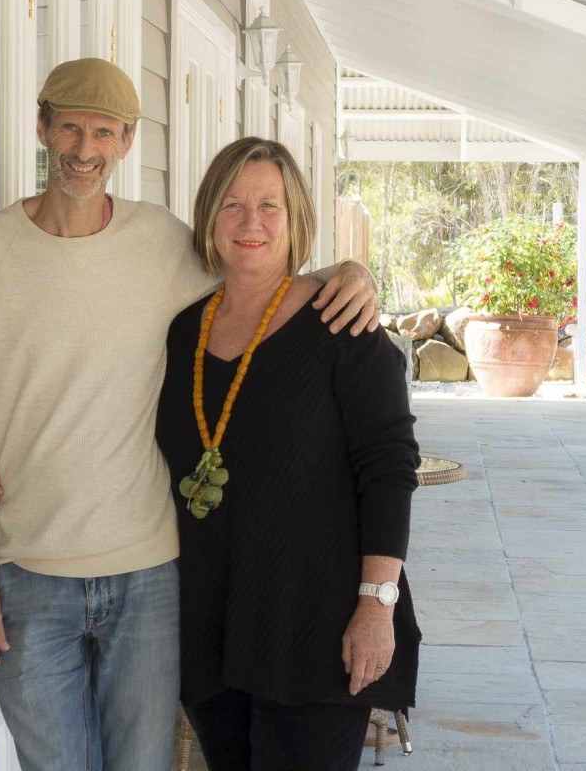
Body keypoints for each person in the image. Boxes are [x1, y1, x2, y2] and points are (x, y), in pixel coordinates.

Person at [0, 58, 381, 771]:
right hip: (27, 569)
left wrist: (348, 273)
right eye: (70, 128)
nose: (84, 150)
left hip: (150, 572)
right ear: (41, 127)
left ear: (126, 143)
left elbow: (259, 271)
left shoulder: (162, 242)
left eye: (104, 133)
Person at [155, 137, 421, 770]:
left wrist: (375, 607)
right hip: (211, 624)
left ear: (297, 217)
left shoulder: (344, 325)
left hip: (316, 623)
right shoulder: (183, 328)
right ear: (207, 216)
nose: (251, 223)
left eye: (270, 205)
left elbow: (388, 468)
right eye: (233, 204)